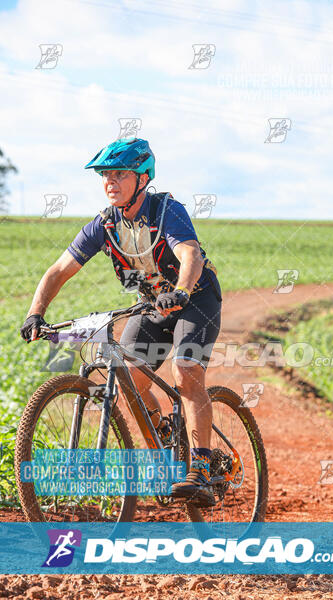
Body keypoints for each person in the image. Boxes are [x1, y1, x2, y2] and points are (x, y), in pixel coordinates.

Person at [20, 138, 222, 507]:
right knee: (132, 380)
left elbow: (189, 253)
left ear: (142, 179)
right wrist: (36, 312)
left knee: (186, 370)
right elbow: (59, 270)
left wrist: (180, 291)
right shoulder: (104, 224)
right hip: (152, 304)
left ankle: (203, 468)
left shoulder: (166, 211)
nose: (109, 181)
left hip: (195, 297)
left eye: (119, 174)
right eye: (105, 175)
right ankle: (165, 440)